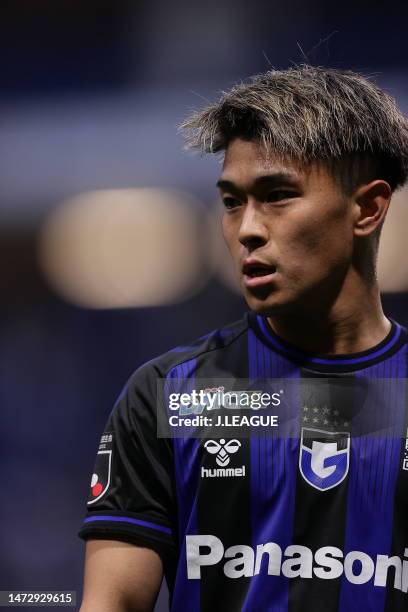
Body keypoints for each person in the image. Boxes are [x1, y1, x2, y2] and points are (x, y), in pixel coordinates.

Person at [79, 66, 408, 612]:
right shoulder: (171, 395)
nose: (247, 229)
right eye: (232, 202)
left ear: (367, 208)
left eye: (277, 195)